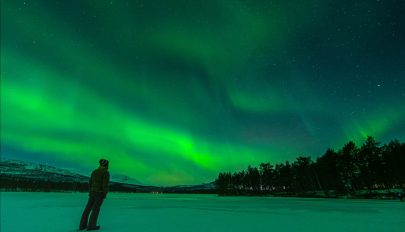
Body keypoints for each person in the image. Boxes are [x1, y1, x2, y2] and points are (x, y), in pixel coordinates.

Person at [79, 159, 110, 231]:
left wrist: (90, 191)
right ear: (106, 165)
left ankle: (82, 226)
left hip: (92, 192)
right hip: (99, 193)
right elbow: (105, 184)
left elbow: (90, 183)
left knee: (87, 209)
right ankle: (91, 226)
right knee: (95, 210)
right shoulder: (106, 173)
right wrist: (105, 193)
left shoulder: (94, 172)